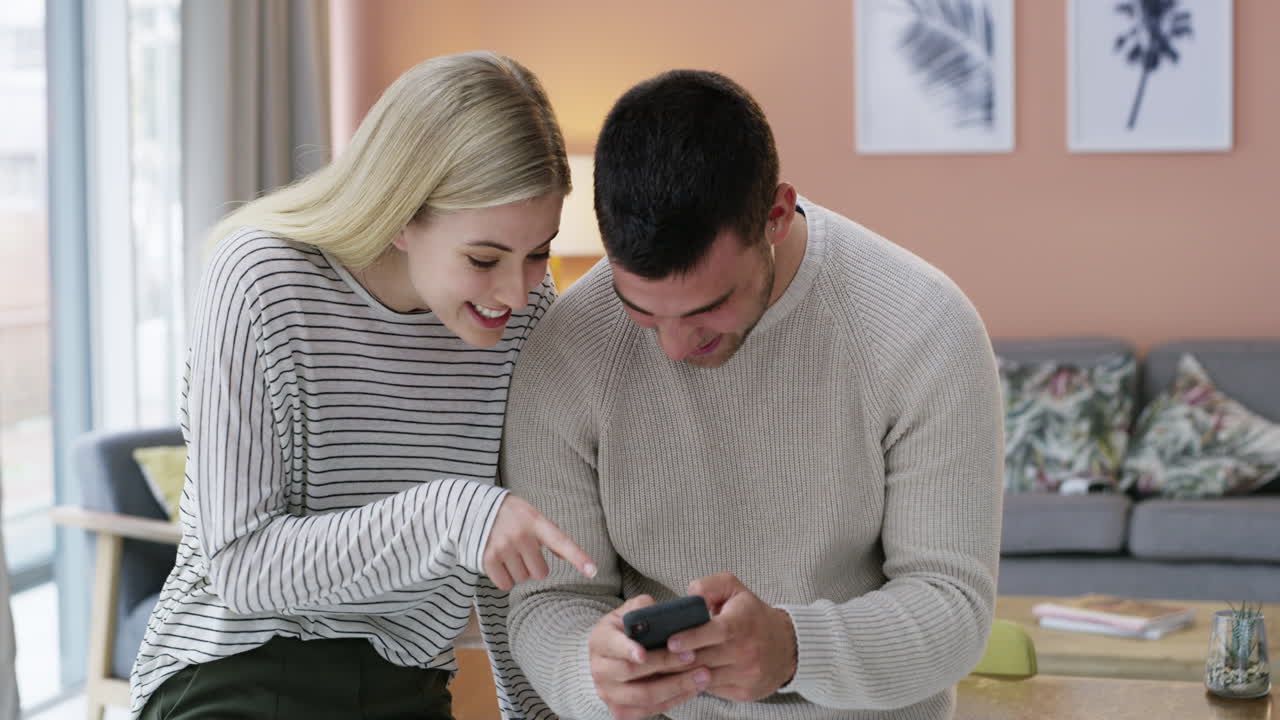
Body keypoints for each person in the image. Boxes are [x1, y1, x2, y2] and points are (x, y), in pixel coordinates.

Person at [501, 69, 1004, 720]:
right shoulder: (565, 350)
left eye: (708, 308)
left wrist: (796, 648)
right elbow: (550, 602)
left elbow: (953, 608)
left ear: (776, 215)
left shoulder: (924, 325)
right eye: (642, 311)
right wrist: (590, 674)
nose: (674, 348)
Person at [131, 51, 594, 720]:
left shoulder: (523, 315)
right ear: (401, 214)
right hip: (236, 673)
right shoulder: (261, 279)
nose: (516, 291)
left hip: (406, 685)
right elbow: (240, 567)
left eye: (538, 252)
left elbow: (511, 565)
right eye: (484, 258)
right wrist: (450, 514)